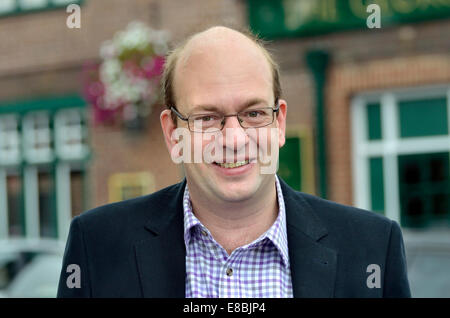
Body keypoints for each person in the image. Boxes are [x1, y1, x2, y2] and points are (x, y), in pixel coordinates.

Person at [57, 26, 410, 298]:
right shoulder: (97, 246)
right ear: (172, 133)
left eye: (254, 113)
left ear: (280, 122)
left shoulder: (373, 247)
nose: (234, 139)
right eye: (207, 118)